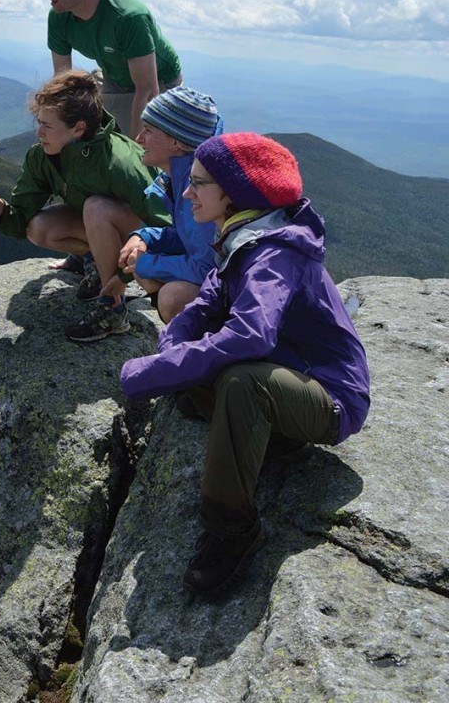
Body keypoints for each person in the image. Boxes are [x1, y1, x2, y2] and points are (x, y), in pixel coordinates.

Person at [120, 133, 371, 597]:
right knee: (200, 368)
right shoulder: (242, 239)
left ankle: (232, 528)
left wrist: (156, 373)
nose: (187, 193)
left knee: (241, 382)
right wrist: (166, 356)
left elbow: (251, 336)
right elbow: (201, 310)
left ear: (233, 195)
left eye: (198, 183)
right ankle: (274, 440)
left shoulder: (272, 255)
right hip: (287, 376)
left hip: (331, 398)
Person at [0, 70, 170, 342]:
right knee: (39, 228)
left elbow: (164, 224)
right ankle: (96, 262)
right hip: (107, 228)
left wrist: (122, 275)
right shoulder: (42, 157)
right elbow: (22, 220)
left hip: (145, 235)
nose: (39, 132)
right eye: (39, 122)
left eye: (48, 125)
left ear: (79, 128)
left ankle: (113, 308)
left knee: (96, 207)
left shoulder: (119, 162)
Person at [103, 86, 223, 323]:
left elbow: (207, 267)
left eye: (148, 130)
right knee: (143, 262)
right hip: (223, 280)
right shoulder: (182, 177)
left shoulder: (200, 189)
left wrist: (147, 263)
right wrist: (145, 237)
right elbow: (190, 240)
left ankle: (192, 336)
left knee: (173, 297)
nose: (139, 138)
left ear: (177, 142)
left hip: (233, 288)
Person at [45, 0, 182, 138]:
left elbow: (147, 90)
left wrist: (135, 148)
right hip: (114, 76)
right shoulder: (59, 15)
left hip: (159, 81)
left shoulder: (128, 17)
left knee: (131, 141)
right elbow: (62, 81)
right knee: (85, 124)